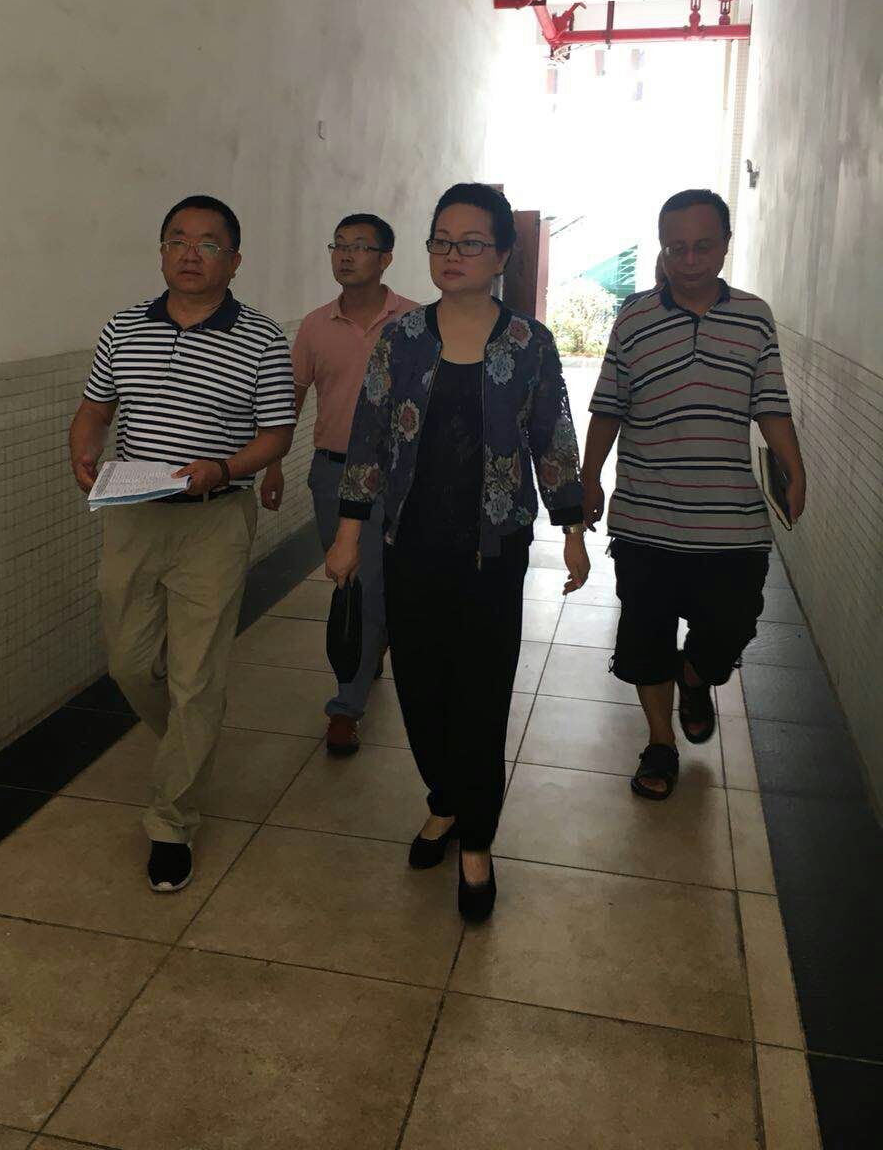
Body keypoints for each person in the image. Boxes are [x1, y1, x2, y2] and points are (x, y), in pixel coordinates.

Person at [326, 183, 590, 923]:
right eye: (441, 240)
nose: (453, 254)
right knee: (419, 687)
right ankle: (443, 799)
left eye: (471, 243)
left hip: (494, 553)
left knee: (481, 693)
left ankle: (476, 840)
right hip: (410, 544)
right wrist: (347, 532)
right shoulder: (402, 340)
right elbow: (369, 438)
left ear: (502, 255)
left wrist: (572, 528)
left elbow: (553, 437)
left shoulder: (529, 343)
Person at [69, 196, 296, 891]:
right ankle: (192, 737)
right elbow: (96, 409)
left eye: (208, 242)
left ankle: (171, 821)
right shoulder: (123, 328)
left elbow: (276, 434)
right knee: (130, 664)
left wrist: (224, 468)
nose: (191, 253)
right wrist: (82, 448)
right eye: (177, 240)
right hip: (133, 514)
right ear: (162, 251)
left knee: (197, 677)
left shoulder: (262, 338)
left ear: (235, 259)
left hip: (213, 519)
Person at [582, 189, 806, 800]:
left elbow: (771, 404)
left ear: (725, 245)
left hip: (732, 520)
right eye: (675, 247)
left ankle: (697, 674)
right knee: (645, 636)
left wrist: (794, 467)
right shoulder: (633, 318)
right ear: (662, 248)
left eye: (702, 246)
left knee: (734, 623)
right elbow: (608, 406)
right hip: (645, 516)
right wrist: (590, 476)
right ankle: (660, 742)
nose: (688, 260)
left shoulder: (755, 317)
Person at [260, 214, 417, 754]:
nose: (346, 255)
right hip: (334, 471)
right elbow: (290, 400)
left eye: (360, 246)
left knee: (375, 579)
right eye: (339, 245)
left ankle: (346, 706)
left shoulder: (416, 322)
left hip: (400, 475)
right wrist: (274, 463)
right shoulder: (314, 326)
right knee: (350, 578)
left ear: (386, 258)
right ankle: (367, 650)